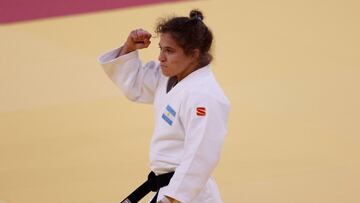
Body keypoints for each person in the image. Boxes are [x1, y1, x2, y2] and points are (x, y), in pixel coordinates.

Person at [98, 9, 230, 203]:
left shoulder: (204, 95)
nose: (161, 57)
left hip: (186, 195)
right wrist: (129, 47)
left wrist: (171, 198)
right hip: (167, 189)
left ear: (194, 54)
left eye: (169, 51)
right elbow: (135, 84)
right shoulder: (169, 77)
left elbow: (201, 157)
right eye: (160, 48)